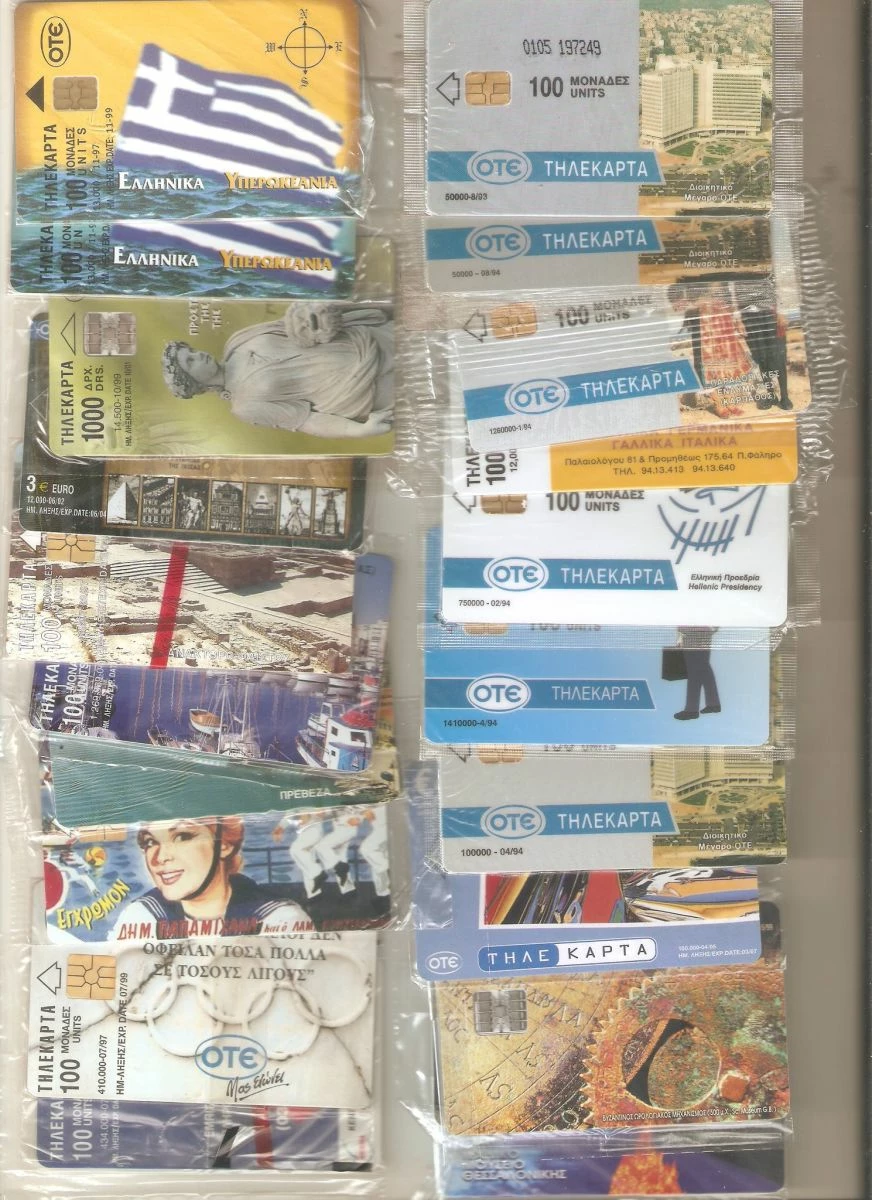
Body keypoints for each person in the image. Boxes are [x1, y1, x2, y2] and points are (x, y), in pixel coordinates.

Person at [160, 302, 394, 440]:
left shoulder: (237, 341)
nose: (198, 354)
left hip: (368, 339)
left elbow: (293, 325)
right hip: (365, 389)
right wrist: (359, 431)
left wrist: (310, 313)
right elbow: (307, 420)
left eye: (191, 350)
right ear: (196, 384)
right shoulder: (245, 406)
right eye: (190, 361)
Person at [110, 817, 309, 939]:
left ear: (225, 845)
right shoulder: (140, 916)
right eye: (150, 842)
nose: (160, 858)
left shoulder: (279, 919)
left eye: (182, 837)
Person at [668, 285, 760, 420]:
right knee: (707, 366)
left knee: (727, 365)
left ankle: (728, 401)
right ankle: (718, 403)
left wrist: (736, 319)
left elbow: (728, 293)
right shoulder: (691, 286)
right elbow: (678, 298)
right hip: (702, 322)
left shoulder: (720, 283)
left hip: (721, 320)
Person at [673, 627, 721, 721]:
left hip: (692, 633)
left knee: (695, 670)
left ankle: (692, 710)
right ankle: (712, 704)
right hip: (700, 632)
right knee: (703, 668)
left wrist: (680, 635)